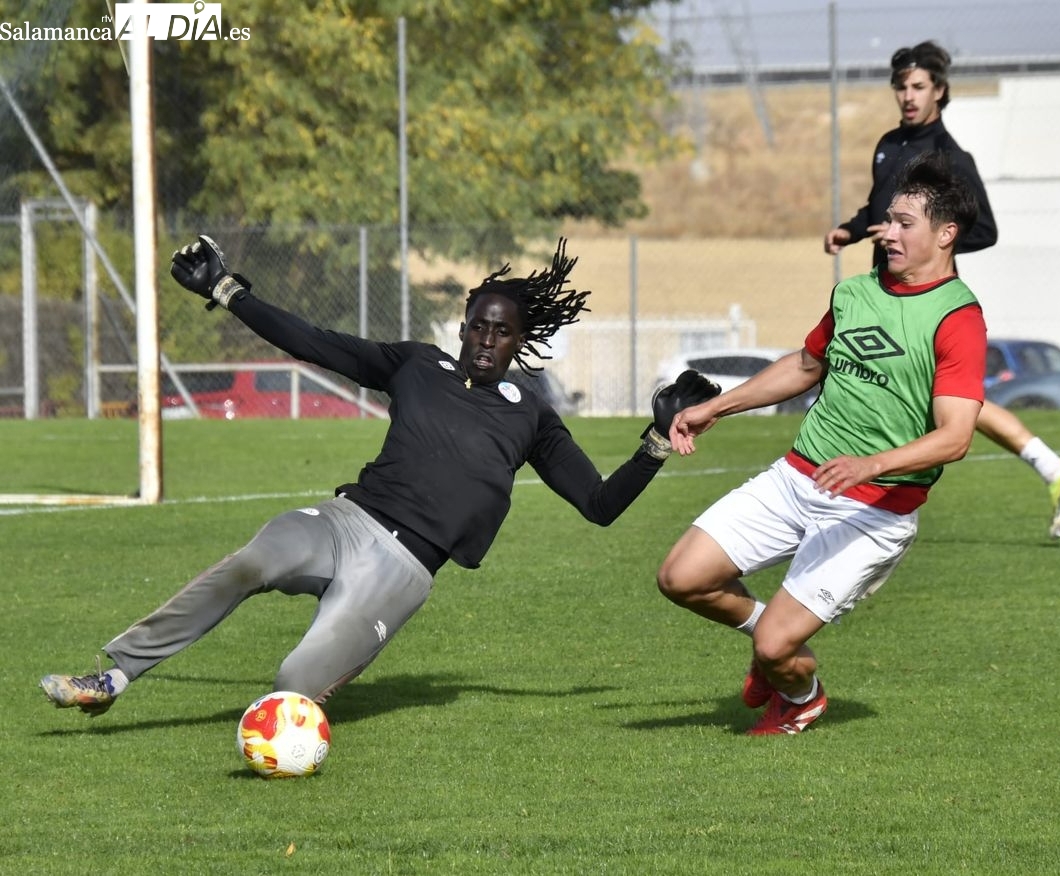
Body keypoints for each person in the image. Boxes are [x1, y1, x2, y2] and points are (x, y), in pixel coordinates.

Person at [40, 236, 719, 717]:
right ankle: (116, 673)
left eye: (502, 331)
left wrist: (657, 441)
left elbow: (599, 505)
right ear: (463, 326)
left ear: (520, 341)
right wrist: (228, 291)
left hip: (402, 569)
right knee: (250, 562)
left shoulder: (533, 417)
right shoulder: (415, 364)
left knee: (291, 683)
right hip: (345, 521)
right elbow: (313, 341)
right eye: (478, 325)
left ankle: (290, 719)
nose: (487, 339)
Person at [657, 152, 986, 735]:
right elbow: (807, 365)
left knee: (780, 643)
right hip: (797, 476)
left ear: (946, 233)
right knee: (681, 578)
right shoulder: (855, 293)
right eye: (887, 220)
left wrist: (872, 464)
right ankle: (770, 646)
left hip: (874, 510)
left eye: (904, 223)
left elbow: (955, 438)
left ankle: (801, 693)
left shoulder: (957, 318)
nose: (887, 233)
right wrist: (715, 408)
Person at [823, 39, 1060, 539]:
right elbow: (878, 206)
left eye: (918, 86)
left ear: (939, 92)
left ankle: (1053, 469)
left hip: (926, 297)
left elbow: (984, 229)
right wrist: (852, 229)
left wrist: (929, 242)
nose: (908, 95)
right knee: (942, 397)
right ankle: (1055, 469)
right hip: (885, 290)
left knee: (945, 400)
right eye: (901, 86)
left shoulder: (950, 158)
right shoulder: (888, 144)